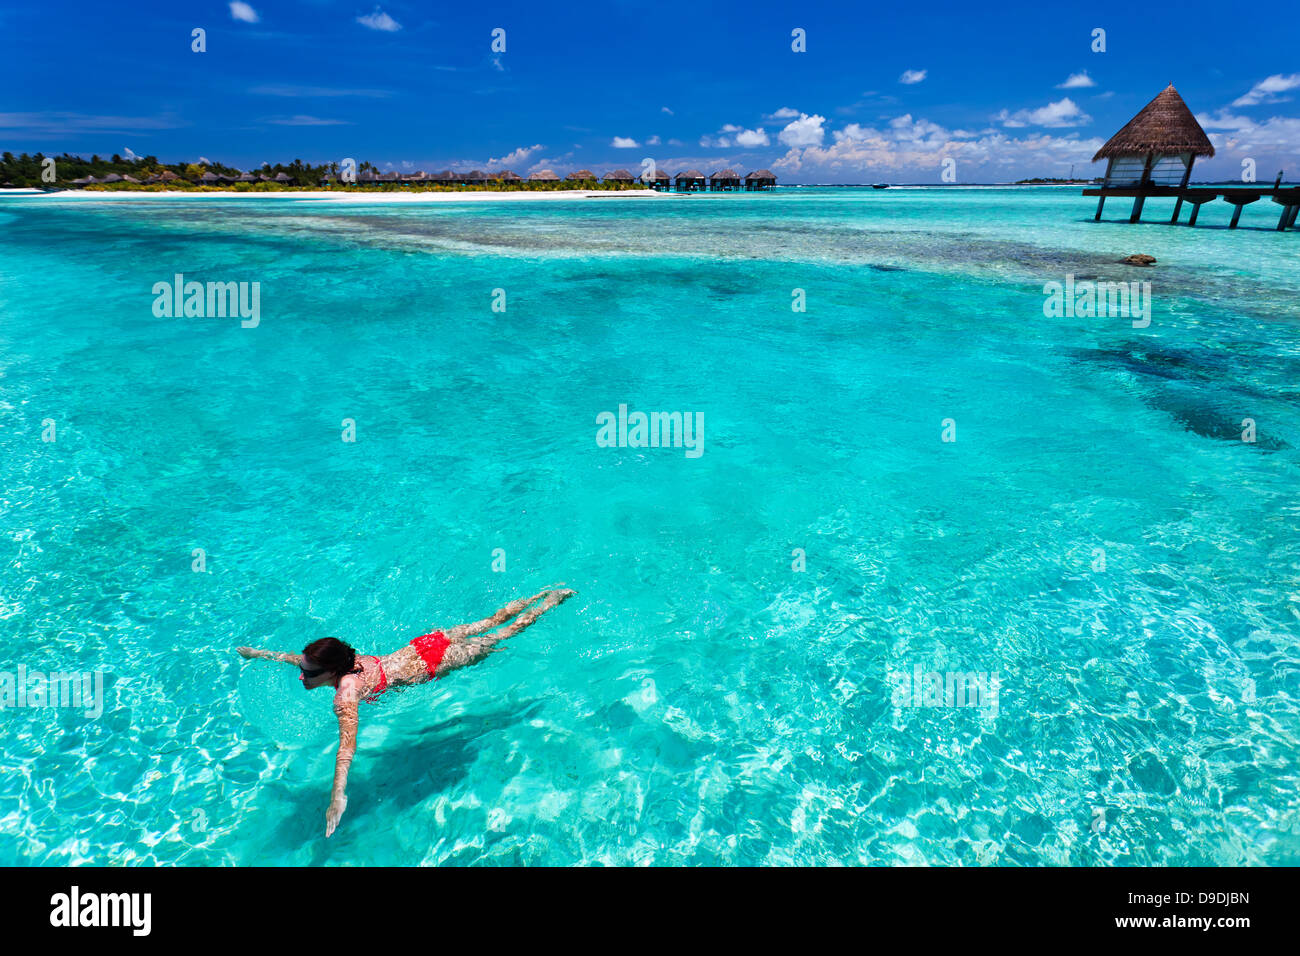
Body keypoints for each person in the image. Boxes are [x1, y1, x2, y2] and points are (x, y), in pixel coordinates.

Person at [236, 586, 575, 836]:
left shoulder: (346, 693)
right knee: (489, 622)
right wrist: (256, 653)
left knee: (504, 633)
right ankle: (542, 593)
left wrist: (337, 796)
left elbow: (346, 748)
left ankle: (550, 603)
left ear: (330, 673)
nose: (301, 674)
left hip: (433, 662)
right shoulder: (340, 662)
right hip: (422, 644)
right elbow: (294, 657)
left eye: (308, 673)